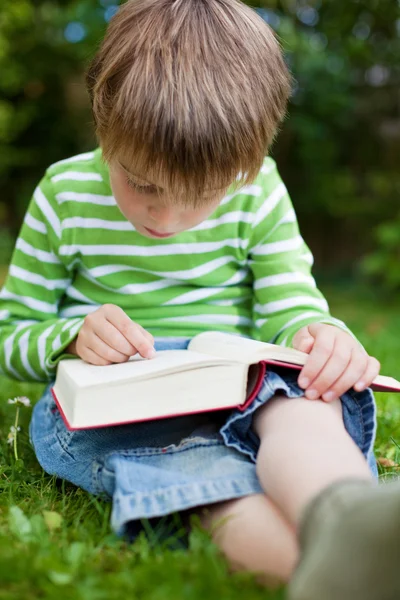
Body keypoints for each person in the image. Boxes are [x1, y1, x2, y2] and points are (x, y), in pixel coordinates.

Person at [1, 1, 399, 598]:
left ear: (242, 166)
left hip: (239, 375)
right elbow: (13, 332)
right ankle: (323, 573)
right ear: (103, 123)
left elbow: (292, 305)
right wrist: (71, 335)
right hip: (122, 402)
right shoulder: (64, 193)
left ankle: (343, 512)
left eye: (204, 195)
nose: (167, 217)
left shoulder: (258, 187)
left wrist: (319, 333)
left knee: (300, 410)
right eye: (142, 184)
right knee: (210, 477)